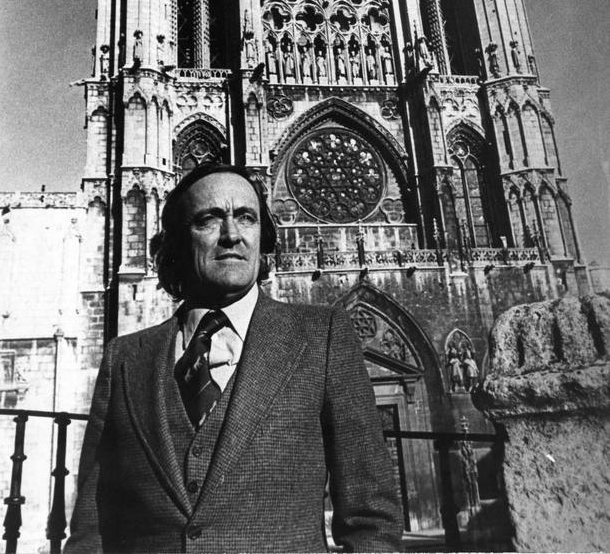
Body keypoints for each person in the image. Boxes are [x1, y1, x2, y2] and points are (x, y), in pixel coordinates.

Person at [66, 164, 401, 553]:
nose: (232, 235)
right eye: (209, 219)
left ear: (263, 236)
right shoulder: (124, 359)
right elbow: (93, 525)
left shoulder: (322, 337)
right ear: (176, 242)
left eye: (246, 217)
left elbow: (372, 519)